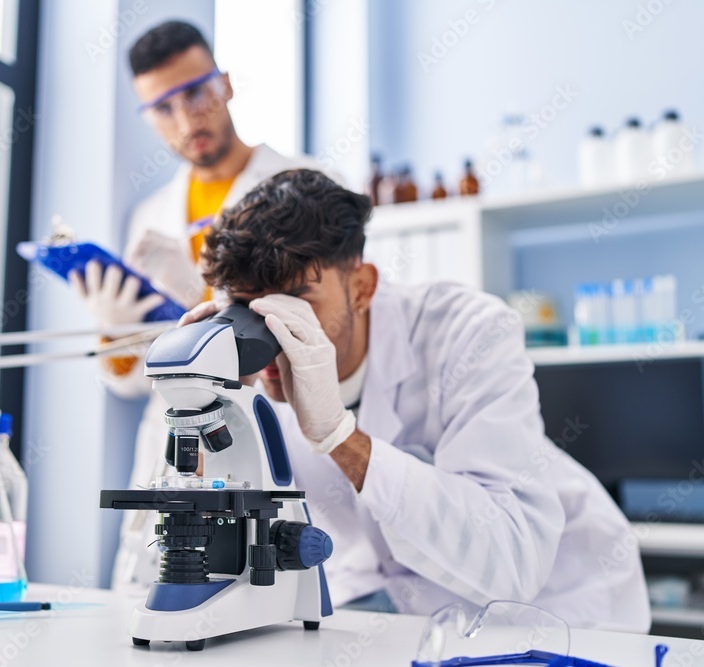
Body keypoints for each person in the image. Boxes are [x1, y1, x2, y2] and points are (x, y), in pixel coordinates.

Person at [179, 168, 651, 632]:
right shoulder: (250, 373)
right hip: (405, 607)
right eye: (249, 309)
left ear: (362, 287)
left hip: (562, 606)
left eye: (295, 306)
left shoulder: (469, 332)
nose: (273, 337)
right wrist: (206, 404)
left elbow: (510, 562)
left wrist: (339, 435)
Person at [69, 21, 333, 589]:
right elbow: (138, 382)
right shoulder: (151, 216)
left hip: (270, 420)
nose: (187, 119)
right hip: (174, 430)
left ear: (227, 85)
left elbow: (318, 325)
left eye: (196, 93)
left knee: (264, 594)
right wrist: (114, 336)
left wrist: (199, 296)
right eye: (163, 108)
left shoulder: (306, 184)